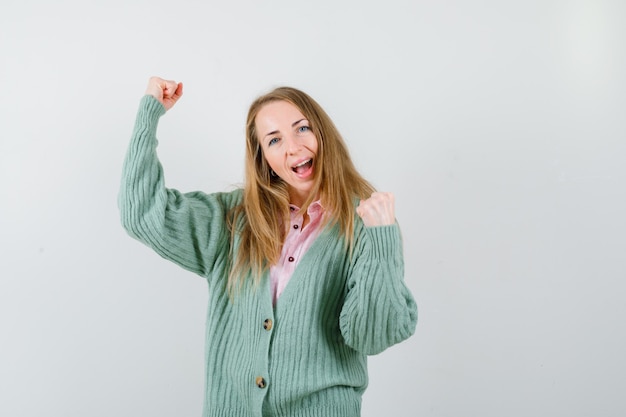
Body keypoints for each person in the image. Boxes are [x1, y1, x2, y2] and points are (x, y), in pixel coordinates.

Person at [119, 76, 418, 417]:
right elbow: (141, 213)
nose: (293, 147)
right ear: (263, 157)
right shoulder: (232, 220)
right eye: (274, 140)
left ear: (323, 134)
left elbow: (372, 336)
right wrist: (149, 114)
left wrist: (382, 239)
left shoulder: (364, 224)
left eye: (302, 129)